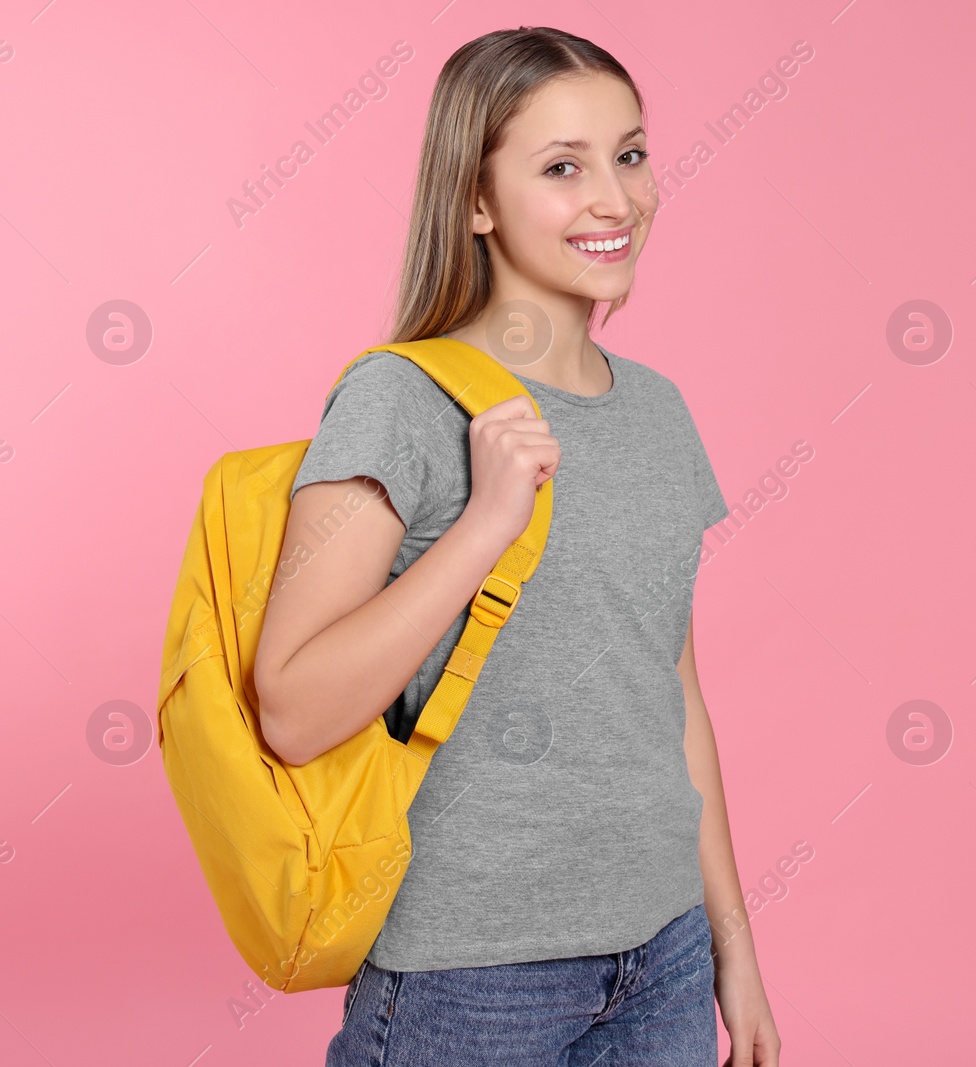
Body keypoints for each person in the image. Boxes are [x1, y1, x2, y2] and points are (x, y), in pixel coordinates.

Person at [251, 25, 781, 1067]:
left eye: (628, 155)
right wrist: (489, 523)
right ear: (477, 201)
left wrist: (733, 948)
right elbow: (292, 707)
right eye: (562, 167)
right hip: (470, 975)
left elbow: (670, 695)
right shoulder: (399, 400)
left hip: (660, 954)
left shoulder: (659, 413)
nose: (615, 199)